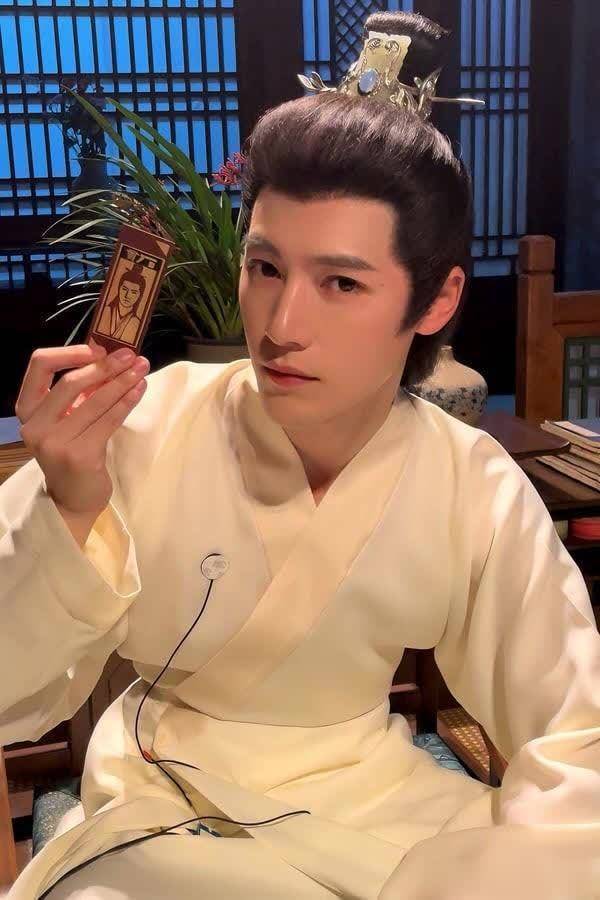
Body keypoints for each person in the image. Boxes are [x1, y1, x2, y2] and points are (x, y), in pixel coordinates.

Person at [1, 11, 599, 899]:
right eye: (266, 268)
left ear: (436, 301)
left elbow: (577, 732)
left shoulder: (469, 482)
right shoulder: (144, 426)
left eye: (342, 282)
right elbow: (12, 695)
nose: (281, 327)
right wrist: (70, 505)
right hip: (165, 801)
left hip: (373, 801)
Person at [96, 267, 146, 344]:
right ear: (119, 288)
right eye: (124, 289)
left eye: (133, 292)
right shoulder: (105, 311)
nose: (127, 295)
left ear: (140, 296)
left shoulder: (135, 322)